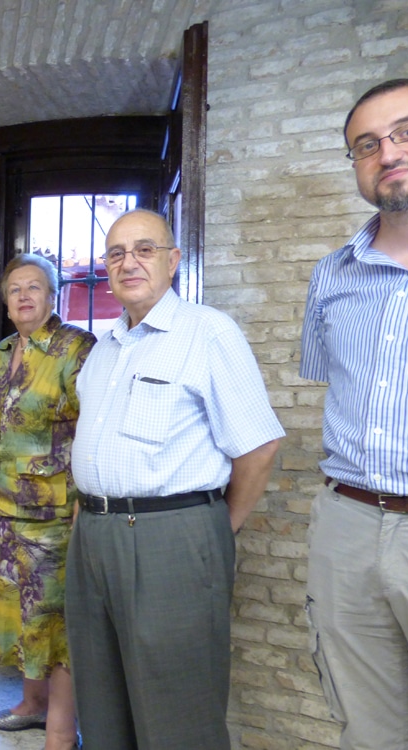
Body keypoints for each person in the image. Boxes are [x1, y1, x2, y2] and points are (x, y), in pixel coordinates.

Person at [67, 209, 284, 749]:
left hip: (173, 538)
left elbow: (258, 446)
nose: (129, 263)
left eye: (144, 249)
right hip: (92, 535)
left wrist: (215, 528)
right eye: (116, 254)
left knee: (177, 709)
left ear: (173, 261)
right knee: (101, 696)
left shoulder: (208, 333)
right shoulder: (103, 348)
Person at [300, 78, 408, 749]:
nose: (388, 152)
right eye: (366, 144)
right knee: (367, 733)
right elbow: (335, 381)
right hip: (347, 526)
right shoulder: (331, 275)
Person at [0, 253, 95, 750]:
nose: (24, 296)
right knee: (21, 612)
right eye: (15, 289)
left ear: (53, 295)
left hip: (54, 512)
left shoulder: (76, 348)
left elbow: (93, 426)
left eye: (35, 287)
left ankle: (61, 729)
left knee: (54, 619)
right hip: (3, 506)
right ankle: (32, 703)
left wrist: (86, 500)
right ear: (6, 301)